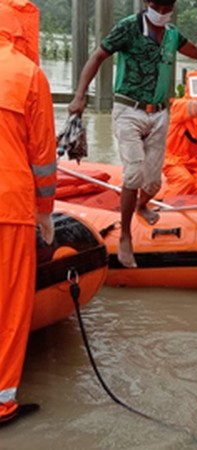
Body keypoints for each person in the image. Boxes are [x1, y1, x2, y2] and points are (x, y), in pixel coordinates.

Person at [68, 0, 197, 268]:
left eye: (169, 6)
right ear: (147, 3)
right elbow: (97, 56)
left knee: (154, 183)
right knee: (133, 172)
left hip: (159, 113)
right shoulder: (129, 28)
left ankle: (141, 204)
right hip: (128, 109)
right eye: (159, 5)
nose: (164, 12)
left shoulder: (171, 35)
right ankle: (125, 234)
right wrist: (79, 96)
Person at [0, 0, 56, 426]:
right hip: (10, 205)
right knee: (8, 308)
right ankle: (2, 403)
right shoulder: (28, 74)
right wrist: (46, 212)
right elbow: (43, 158)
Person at [162, 70, 197, 197]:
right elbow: (187, 107)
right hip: (173, 159)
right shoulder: (179, 106)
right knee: (184, 181)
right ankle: (166, 209)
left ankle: (194, 213)